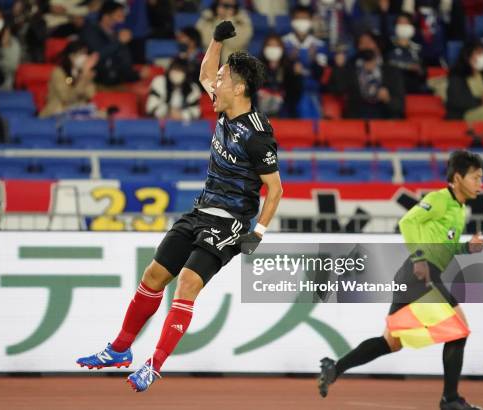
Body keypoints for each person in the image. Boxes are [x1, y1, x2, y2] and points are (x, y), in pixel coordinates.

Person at [76, 21, 283, 393]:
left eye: (221, 80)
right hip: (200, 211)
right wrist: (217, 41)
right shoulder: (224, 108)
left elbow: (275, 189)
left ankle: (153, 366)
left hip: (230, 224)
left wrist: (258, 235)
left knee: (186, 284)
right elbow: (205, 71)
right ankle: (119, 349)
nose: (212, 84)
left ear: (239, 88)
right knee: (154, 276)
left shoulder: (257, 136)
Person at [318, 150, 483, 410]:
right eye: (476, 177)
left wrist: (466, 249)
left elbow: (444, 246)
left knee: (391, 342)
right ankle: (450, 400)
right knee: (459, 330)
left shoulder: (459, 209)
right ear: (457, 178)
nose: (480, 183)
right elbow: (407, 221)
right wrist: (419, 257)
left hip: (413, 276)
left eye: (481, 178)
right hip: (421, 273)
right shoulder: (440, 199)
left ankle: (335, 367)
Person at [328, 31, 405, 119]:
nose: (366, 46)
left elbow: (400, 107)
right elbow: (338, 90)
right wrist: (339, 67)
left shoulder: (392, 71)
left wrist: (388, 99)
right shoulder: (350, 69)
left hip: (384, 119)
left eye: (369, 42)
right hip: (357, 120)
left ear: (378, 46)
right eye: (362, 43)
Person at [282, 5, 328, 118]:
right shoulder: (283, 43)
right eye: (298, 18)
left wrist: (313, 61)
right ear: (292, 21)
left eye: (305, 18)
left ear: (311, 21)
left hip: (313, 92)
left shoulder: (319, 45)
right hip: (290, 92)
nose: (302, 22)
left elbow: (321, 72)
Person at [79, 0, 140, 86]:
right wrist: (119, 42)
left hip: (119, 79)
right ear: (106, 17)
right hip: (98, 81)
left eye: (123, 16)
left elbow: (125, 62)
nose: (122, 20)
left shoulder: (116, 34)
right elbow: (97, 55)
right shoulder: (90, 31)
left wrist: (137, 74)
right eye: (119, 16)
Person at [40, 41, 98, 118]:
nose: (84, 57)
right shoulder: (59, 73)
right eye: (80, 54)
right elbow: (67, 98)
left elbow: (89, 94)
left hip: (79, 112)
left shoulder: (85, 73)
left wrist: (85, 76)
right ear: (71, 56)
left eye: (85, 54)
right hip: (57, 112)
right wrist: (83, 78)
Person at [257, 33, 303, 118]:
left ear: (282, 48)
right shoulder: (256, 65)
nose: (273, 49)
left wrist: (297, 76)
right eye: (270, 46)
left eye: (276, 46)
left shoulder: (289, 66)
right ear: (264, 48)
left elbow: (295, 94)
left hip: (283, 109)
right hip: (260, 108)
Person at [446, 41, 483, 122]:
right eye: (478, 53)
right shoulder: (457, 76)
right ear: (468, 56)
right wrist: (482, 100)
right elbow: (458, 102)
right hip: (464, 114)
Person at [386, 12, 428, 94]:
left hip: (412, 83)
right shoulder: (388, 45)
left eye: (405, 23)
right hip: (394, 82)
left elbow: (423, 71)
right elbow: (388, 64)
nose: (403, 26)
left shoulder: (417, 48)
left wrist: (419, 70)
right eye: (400, 23)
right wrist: (408, 67)